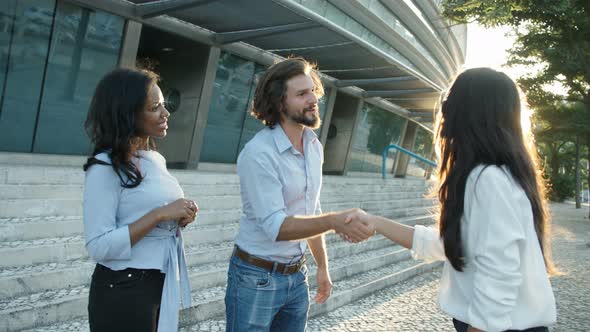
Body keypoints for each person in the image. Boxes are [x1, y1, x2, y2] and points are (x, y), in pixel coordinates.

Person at [350, 68, 557, 332]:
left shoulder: (488, 179)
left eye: (451, 102)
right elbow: (453, 246)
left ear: (469, 112)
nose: (444, 110)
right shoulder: (495, 174)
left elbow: (500, 272)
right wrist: (375, 222)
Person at [224, 58, 373, 331]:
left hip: (297, 276)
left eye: (313, 90)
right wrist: (333, 221)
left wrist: (322, 267)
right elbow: (276, 227)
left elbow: (311, 212)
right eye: (302, 94)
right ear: (280, 103)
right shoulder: (259, 153)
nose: (313, 98)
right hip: (256, 278)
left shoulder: (313, 146)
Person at [83, 68, 197, 332]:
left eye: (164, 105)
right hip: (124, 287)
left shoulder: (153, 160)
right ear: (127, 113)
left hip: (158, 281)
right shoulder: (104, 167)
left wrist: (181, 216)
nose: (165, 114)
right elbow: (98, 246)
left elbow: (157, 215)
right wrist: (159, 214)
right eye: (154, 107)